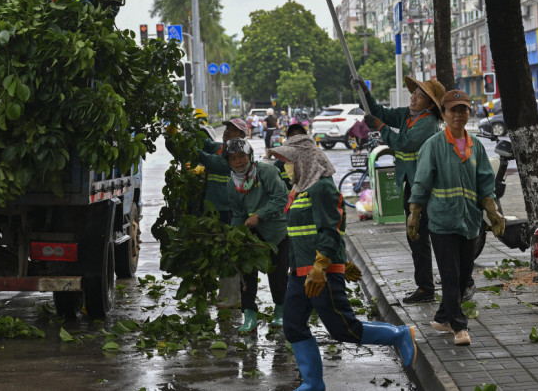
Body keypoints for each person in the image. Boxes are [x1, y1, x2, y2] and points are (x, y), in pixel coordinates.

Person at [268, 134, 415, 390]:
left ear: (303, 161)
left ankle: (399, 335)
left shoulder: (322, 187)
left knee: (345, 329)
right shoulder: (299, 189)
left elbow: (331, 229)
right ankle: (313, 383)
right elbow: (307, 233)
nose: (286, 167)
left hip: (319, 272)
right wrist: (341, 260)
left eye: (289, 161)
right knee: (293, 325)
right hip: (300, 271)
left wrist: (324, 265)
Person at [408, 90, 504, 346]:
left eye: (463, 110)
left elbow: (485, 181)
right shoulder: (434, 145)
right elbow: (421, 181)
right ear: (444, 114)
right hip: (441, 221)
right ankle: (459, 327)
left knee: (463, 278)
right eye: (453, 110)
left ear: (469, 112)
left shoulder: (476, 146)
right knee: (450, 275)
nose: (458, 115)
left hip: (469, 222)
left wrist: (491, 210)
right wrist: (415, 214)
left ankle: (442, 317)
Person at [350, 75, 443, 304]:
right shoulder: (408, 115)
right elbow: (382, 112)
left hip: (425, 187)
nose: (414, 98)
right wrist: (365, 93)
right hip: (411, 184)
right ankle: (425, 286)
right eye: (414, 93)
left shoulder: (427, 122)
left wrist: (380, 127)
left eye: (420, 96)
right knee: (415, 238)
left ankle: (431, 287)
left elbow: (403, 143)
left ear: (430, 105)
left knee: (424, 237)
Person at [165, 116, 249, 309]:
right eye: (226, 128)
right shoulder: (222, 147)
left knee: (229, 254)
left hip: (231, 212)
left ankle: (232, 298)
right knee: (213, 253)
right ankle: (219, 295)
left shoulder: (241, 153)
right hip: (213, 211)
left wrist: (192, 148)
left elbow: (212, 162)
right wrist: (184, 130)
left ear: (242, 135)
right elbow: (205, 143)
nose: (227, 131)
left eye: (232, 129)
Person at [222, 138, 289, 332]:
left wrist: (259, 215)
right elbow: (238, 214)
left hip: (276, 232)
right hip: (251, 236)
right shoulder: (232, 185)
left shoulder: (266, 172)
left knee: (277, 275)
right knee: (247, 276)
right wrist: (234, 234)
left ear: (250, 156)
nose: (238, 162)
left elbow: (281, 198)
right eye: (233, 158)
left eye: (241, 156)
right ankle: (249, 316)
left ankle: (280, 312)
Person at [274, 122, 308, 189]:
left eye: (300, 134)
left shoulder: (314, 159)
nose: (296, 137)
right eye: (292, 135)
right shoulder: (279, 163)